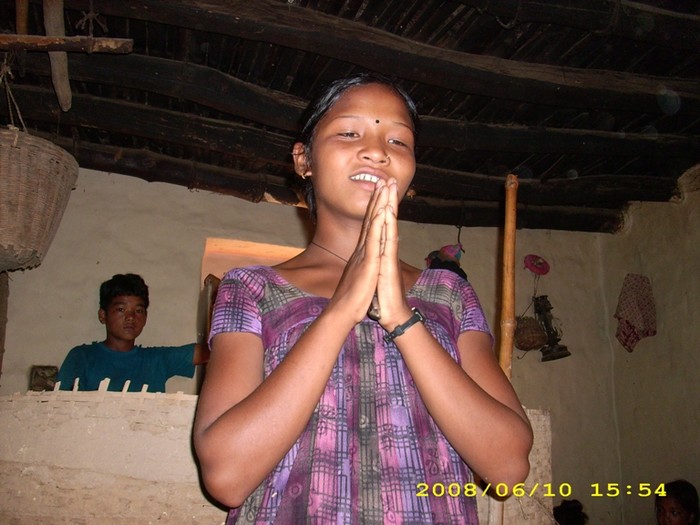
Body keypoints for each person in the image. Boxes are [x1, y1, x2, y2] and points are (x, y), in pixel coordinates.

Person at [193, 74, 533, 524]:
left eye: (398, 141)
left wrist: (401, 319)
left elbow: (508, 469)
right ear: (303, 159)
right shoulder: (251, 289)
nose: (377, 151)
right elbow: (227, 476)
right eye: (350, 133)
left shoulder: (449, 294)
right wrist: (340, 311)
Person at [57, 273, 209, 392]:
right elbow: (63, 407)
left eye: (138, 311)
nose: (130, 317)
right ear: (103, 315)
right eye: (121, 309)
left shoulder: (156, 360)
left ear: (145, 318)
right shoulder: (82, 357)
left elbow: (213, 351)